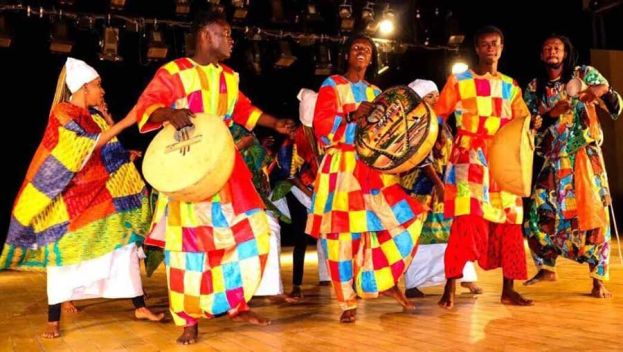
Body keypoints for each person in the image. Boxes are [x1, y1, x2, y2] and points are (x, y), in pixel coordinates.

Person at [134, 11, 294, 344]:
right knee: (189, 250)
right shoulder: (174, 72)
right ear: (206, 36)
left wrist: (274, 123)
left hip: (224, 170)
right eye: (226, 33)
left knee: (253, 233)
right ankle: (188, 320)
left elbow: (244, 110)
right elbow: (147, 109)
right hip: (188, 171)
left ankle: (236, 303)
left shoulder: (229, 77)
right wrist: (169, 113)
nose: (231, 39)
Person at [0, 57, 163, 339]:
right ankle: (54, 317)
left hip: (104, 194)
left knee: (123, 246)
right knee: (64, 255)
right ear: (84, 87)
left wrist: (122, 148)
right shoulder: (63, 114)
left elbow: (108, 146)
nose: (102, 90)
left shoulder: (96, 116)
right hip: (73, 199)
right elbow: (80, 149)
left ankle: (139, 305)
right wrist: (125, 122)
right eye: (98, 85)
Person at [307, 35, 426, 323]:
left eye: (367, 50)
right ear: (347, 54)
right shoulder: (332, 85)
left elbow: (388, 131)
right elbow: (321, 129)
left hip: (374, 169)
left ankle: (379, 283)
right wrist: (350, 119)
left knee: (400, 222)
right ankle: (347, 302)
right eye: (357, 48)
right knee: (342, 239)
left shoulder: (376, 92)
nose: (362, 53)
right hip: (341, 171)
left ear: (371, 59)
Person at [434, 26, 539, 309]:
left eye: (495, 43)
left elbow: (523, 121)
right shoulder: (459, 81)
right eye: (484, 44)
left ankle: (508, 289)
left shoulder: (511, 85)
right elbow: (438, 116)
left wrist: (534, 124)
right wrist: (437, 143)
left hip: (503, 159)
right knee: (466, 220)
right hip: (469, 157)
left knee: (510, 221)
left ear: (502, 47)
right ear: (477, 49)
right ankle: (450, 287)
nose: (490, 48)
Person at [523, 34, 621, 298]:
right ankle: (546, 267)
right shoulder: (534, 88)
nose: (552, 50)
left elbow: (614, 103)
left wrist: (601, 91)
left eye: (557, 47)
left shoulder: (583, 73)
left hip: (584, 158)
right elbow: (530, 126)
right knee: (537, 216)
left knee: (595, 219)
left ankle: (598, 279)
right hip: (554, 162)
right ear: (542, 56)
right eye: (547, 48)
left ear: (565, 53)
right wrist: (550, 114)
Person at [400, 79, 481, 298]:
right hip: (422, 186)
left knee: (453, 232)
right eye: (430, 96)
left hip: (445, 181)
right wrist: (438, 184)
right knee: (420, 234)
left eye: (437, 95)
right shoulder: (417, 123)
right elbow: (422, 159)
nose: (437, 99)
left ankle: (464, 277)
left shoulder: (441, 122)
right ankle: (414, 282)